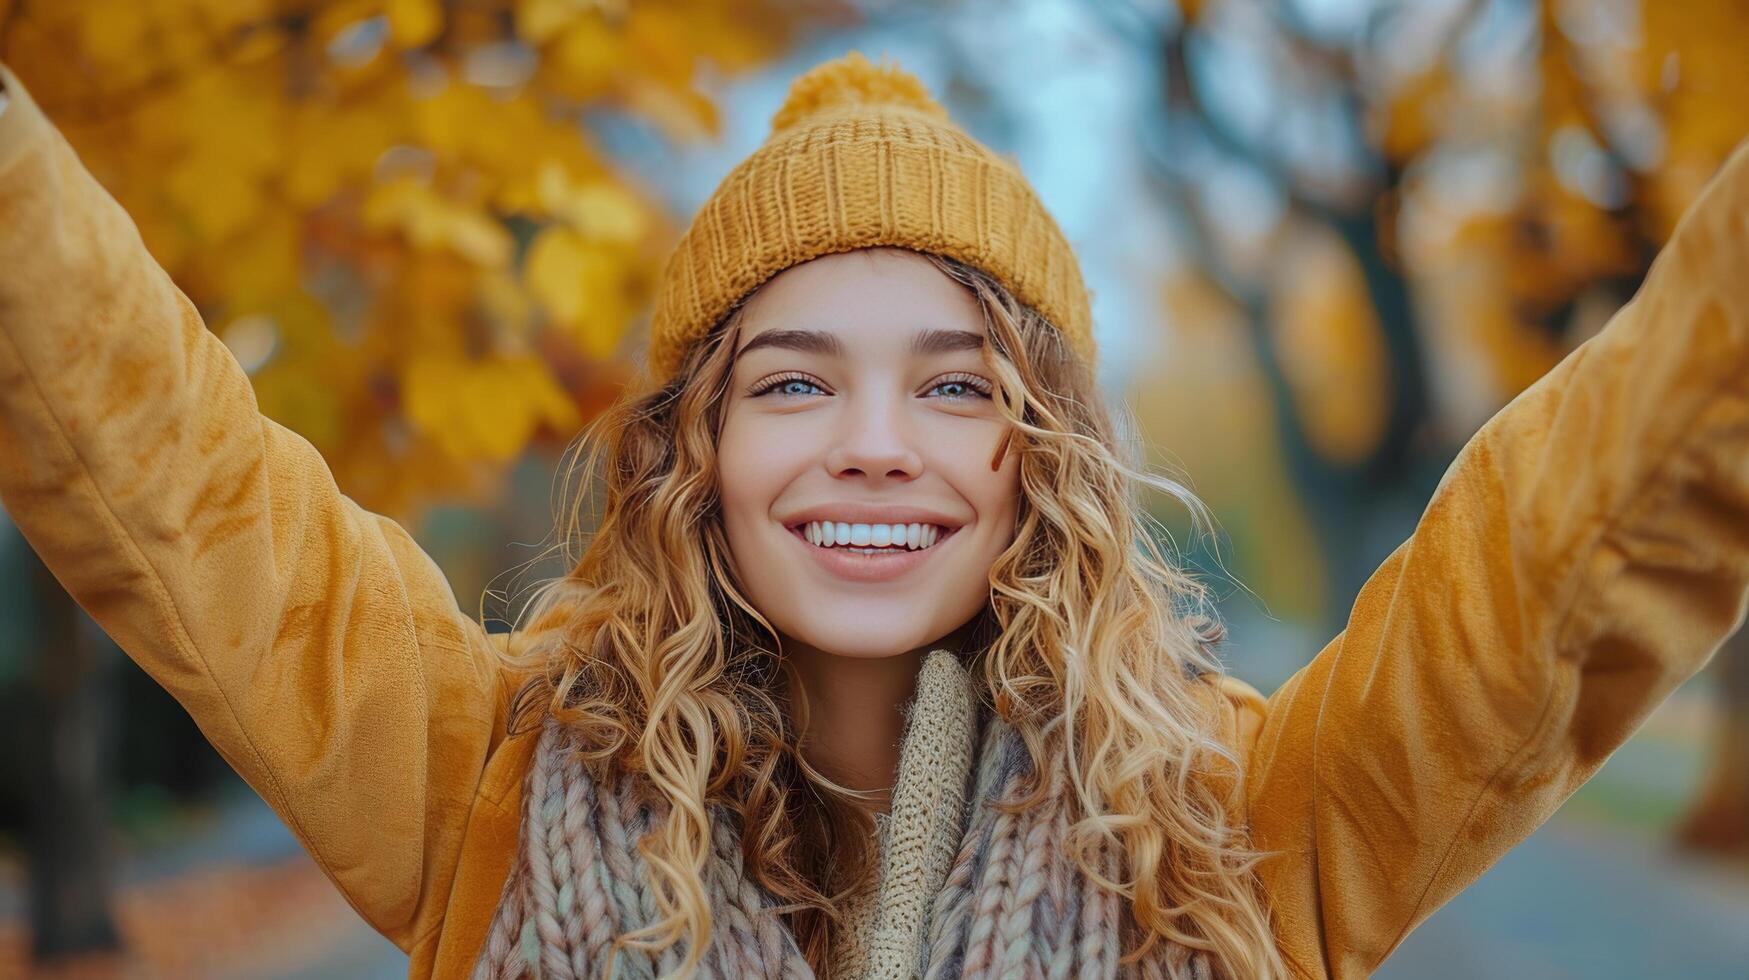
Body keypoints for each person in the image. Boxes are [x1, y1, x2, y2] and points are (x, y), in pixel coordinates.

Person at [0, 48, 1745, 980]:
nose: (874, 446)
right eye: (791, 382)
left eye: (958, 383)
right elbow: (168, 465)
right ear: (693, 450)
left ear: (1040, 452)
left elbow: (1566, 549)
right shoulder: (481, 777)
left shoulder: (1245, 824)